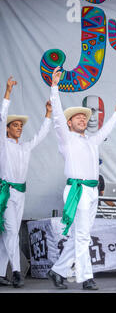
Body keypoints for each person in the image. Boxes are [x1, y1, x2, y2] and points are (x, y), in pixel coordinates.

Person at [46, 67, 116, 290]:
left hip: (92, 191)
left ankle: (57, 271)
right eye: (77, 117)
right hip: (77, 190)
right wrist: (55, 87)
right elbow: (57, 117)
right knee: (82, 236)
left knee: (80, 236)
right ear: (69, 123)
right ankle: (86, 277)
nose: (82, 119)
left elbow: (107, 128)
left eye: (84, 117)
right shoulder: (66, 139)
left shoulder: (91, 140)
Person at [0, 76, 52, 288]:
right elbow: (1, 117)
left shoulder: (25, 147)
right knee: (12, 231)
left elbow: (41, 134)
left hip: (20, 192)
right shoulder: (3, 143)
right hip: (5, 192)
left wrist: (48, 115)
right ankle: (17, 272)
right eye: (15, 125)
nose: (19, 127)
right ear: (7, 129)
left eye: (21, 125)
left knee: (7, 234)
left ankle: (1, 273)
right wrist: (8, 93)